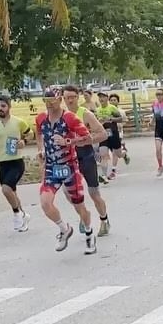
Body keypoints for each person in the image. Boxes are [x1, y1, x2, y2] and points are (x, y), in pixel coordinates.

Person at [35, 88, 97, 255]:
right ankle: (64, 229)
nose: (49, 104)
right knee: (45, 203)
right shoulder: (40, 119)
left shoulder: (69, 118)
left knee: (79, 205)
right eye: (46, 100)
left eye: (52, 100)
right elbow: (39, 135)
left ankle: (89, 233)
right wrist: (41, 150)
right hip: (51, 168)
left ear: (59, 99)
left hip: (69, 167)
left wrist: (68, 141)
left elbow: (88, 138)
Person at [63, 85, 112, 237]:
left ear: (78, 97)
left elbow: (103, 134)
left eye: (73, 97)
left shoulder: (85, 114)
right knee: (69, 192)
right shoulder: (61, 115)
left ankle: (104, 220)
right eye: (67, 98)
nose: (70, 100)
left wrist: (85, 141)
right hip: (69, 158)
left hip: (86, 155)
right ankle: (84, 214)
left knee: (94, 193)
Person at [0, 95, 33, 232]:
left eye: (3, 106)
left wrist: (24, 142)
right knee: (13, 193)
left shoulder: (18, 122)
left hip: (16, 162)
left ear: (9, 107)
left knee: (6, 189)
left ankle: (17, 213)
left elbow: (30, 134)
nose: (0, 108)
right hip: (2, 163)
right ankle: (23, 216)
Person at [95, 92, 124, 181]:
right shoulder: (98, 110)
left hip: (113, 134)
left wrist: (110, 119)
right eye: (100, 97)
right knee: (103, 155)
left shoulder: (112, 108)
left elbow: (120, 119)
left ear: (107, 98)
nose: (101, 99)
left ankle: (124, 153)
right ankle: (104, 176)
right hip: (103, 135)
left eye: (103, 97)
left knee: (119, 154)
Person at [109, 93, 130, 163]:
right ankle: (123, 153)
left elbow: (125, 120)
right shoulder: (107, 110)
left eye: (114, 100)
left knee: (115, 152)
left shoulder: (121, 111)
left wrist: (121, 125)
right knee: (115, 152)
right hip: (110, 132)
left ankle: (113, 169)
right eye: (111, 100)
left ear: (118, 101)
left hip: (119, 131)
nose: (113, 102)